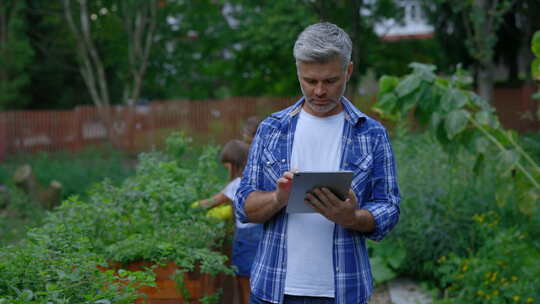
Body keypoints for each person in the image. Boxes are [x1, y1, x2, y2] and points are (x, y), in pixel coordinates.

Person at [235, 22, 401, 304]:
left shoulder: (371, 133)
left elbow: (389, 207)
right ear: (298, 71)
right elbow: (243, 206)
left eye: (331, 80)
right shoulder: (271, 129)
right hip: (272, 290)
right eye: (310, 81)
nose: (319, 91)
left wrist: (351, 218)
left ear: (348, 71)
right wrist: (278, 198)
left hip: (344, 292)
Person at [198, 139, 263, 304]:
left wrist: (190, 207)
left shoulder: (237, 184)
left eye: (226, 164)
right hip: (262, 233)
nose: (226, 168)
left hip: (247, 237)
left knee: (245, 282)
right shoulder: (259, 179)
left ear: (234, 163)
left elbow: (211, 202)